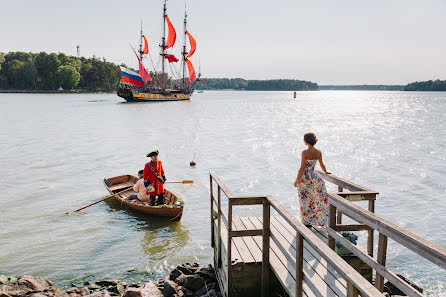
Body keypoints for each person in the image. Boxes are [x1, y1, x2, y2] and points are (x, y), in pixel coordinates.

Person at [293, 132, 330, 227]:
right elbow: (322, 165)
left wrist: (297, 180)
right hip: (313, 177)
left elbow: (302, 168)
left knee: (305, 199)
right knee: (315, 199)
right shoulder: (318, 152)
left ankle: (307, 222)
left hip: (305, 179)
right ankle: (319, 220)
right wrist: (325, 172)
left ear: (306, 141)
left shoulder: (304, 153)